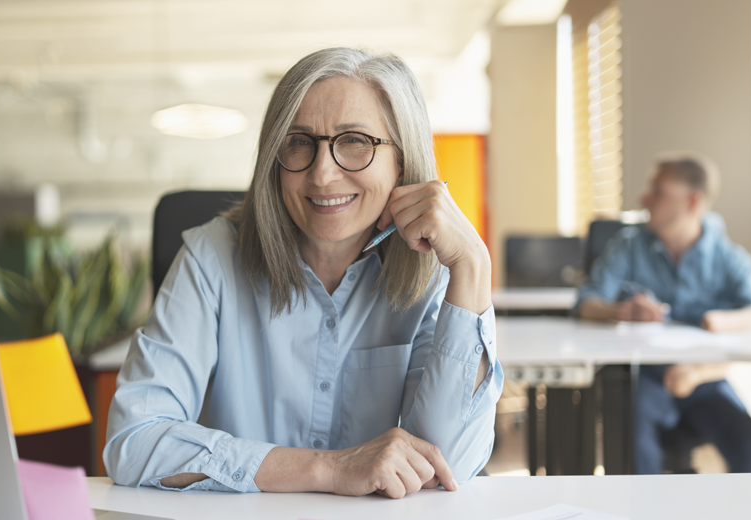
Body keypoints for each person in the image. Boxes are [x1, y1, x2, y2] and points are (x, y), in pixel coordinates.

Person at [104, 48, 502, 498]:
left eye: (355, 141)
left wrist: (473, 265)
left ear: (403, 161)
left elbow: (444, 467)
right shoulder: (210, 257)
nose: (322, 174)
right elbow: (133, 442)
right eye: (298, 142)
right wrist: (328, 470)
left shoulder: (433, 272)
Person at [575, 153, 751, 474]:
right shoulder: (628, 245)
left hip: (703, 375)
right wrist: (621, 311)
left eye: (658, 192)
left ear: (692, 201)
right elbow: (586, 302)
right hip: (644, 378)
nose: (645, 199)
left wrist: (717, 324)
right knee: (634, 444)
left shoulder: (725, 254)